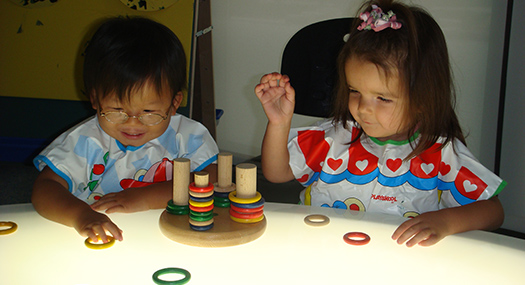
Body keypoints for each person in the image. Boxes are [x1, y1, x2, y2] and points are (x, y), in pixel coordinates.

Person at [255, 0, 505, 247]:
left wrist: (445, 221)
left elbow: (493, 211)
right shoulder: (334, 137)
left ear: (423, 98)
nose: (363, 108)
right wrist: (279, 122)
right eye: (354, 91)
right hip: (324, 255)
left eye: (383, 98)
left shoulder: (440, 152)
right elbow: (277, 174)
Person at [32, 17, 219, 243]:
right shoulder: (85, 141)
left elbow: (214, 178)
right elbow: (44, 189)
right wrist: (81, 215)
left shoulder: (187, 136)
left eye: (149, 111)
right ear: (95, 99)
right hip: (102, 236)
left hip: (168, 236)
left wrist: (144, 198)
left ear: (174, 103)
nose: (132, 123)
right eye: (117, 110)